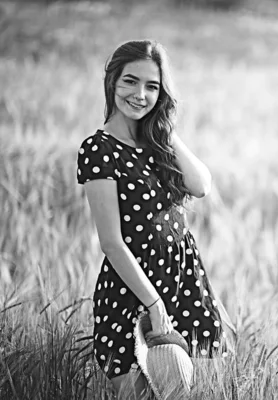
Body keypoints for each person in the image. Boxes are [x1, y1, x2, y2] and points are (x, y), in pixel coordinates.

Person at [76, 40, 229, 398]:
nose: (140, 94)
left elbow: (201, 185)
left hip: (181, 280)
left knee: (182, 393)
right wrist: (153, 304)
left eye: (152, 86)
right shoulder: (99, 149)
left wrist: (163, 128)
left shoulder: (157, 143)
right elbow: (112, 243)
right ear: (112, 81)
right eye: (130, 81)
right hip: (133, 288)